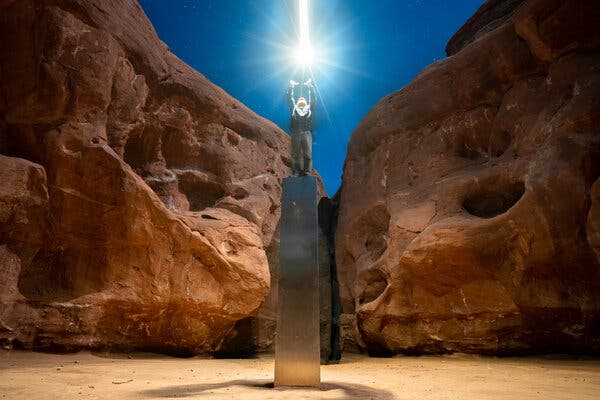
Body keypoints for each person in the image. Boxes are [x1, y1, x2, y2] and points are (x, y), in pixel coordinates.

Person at [287, 78, 315, 176]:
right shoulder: (294, 108)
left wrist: (310, 87)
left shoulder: (309, 109)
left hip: (306, 132)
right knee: (295, 154)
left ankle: (307, 171)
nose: (301, 100)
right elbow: (289, 99)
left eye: (303, 99)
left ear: (306, 102)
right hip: (295, 132)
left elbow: (313, 99)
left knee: (307, 153)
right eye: (300, 99)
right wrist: (291, 87)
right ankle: (296, 172)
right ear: (297, 102)